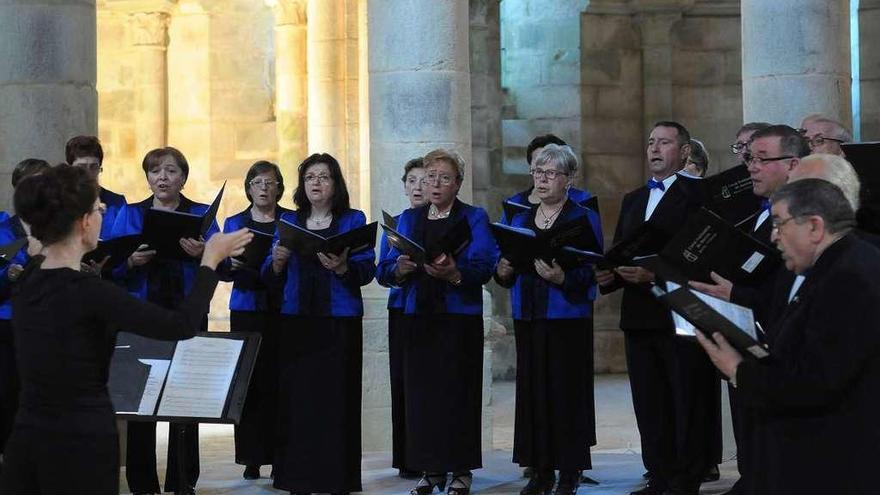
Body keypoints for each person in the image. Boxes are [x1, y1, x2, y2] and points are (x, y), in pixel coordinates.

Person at [0, 164, 252, 494]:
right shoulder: (90, 292)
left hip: (26, 439)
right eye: (97, 208)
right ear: (84, 223)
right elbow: (181, 325)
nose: (102, 213)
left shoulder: (28, 283)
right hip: (82, 443)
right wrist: (209, 261)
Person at [696, 178, 880, 494]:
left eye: (780, 224)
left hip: (833, 462)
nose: (773, 236)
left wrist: (738, 369)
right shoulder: (843, 263)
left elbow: (816, 383)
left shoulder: (847, 278)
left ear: (814, 227)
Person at [595, 121, 714, 495]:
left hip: (678, 311)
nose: (655, 149)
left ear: (684, 151)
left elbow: (703, 254)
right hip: (639, 315)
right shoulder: (633, 199)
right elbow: (622, 249)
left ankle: (686, 479)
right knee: (650, 403)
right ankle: (658, 475)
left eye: (664, 142)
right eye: (650, 142)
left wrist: (654, 276)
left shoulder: (700, 195)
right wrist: (609, 276)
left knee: (684, 399)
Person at [376, 149, 497, 495]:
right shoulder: (409, 220)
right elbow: (382, 271)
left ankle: (460, 469)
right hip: (418, 316)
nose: (436, 183)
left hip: (458, 318)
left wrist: (455, 273)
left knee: (458, 393)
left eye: (445, 177)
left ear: (458, 183)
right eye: (431, 176)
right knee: (422, 396)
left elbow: (485, 265)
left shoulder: (473, 217)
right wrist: (398, 269)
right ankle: (430, 469)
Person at [110, 147, 221, 495]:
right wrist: (130, 262)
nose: (162, 177)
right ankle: (143, 483)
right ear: (147, 177)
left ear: (183, 178)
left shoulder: (202, 215)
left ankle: (183, 479)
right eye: (155, 171)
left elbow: (226, 264)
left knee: (185, 398)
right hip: (142, 313)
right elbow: (108, 265)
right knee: (141, 399)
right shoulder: (130, 215)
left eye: (171, 171)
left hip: (186, 312)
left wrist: (205, 253)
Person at [494, 144, 603, 495]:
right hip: (529, 313)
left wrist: (562, 279)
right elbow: (504, 272)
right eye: (538, 172)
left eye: (551, 173)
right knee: (533, 392)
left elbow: (594, 270)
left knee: (566, 393)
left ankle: (569, 470)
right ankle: (539, 470)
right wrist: (504, 268)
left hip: (566, 316)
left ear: (568, 179)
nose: (542, 179)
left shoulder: (581, 217)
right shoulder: (520, 217)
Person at [265, 153, 375, 494]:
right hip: (297, 321)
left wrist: (343, 267)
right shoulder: (289, 220)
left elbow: (366, 269)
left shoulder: (353, 219)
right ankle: (297, 476)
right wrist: (278, 262)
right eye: (310, 177)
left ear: (335, 184)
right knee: (298, 400)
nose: (316, 182)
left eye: (324, 177)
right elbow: (270, 274)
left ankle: (336, 477)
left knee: (336, 399)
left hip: (338, 322)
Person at [220, 161, 291, 480]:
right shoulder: (235, 221)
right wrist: (231, 263)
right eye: (257, 182)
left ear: (280, 188)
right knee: (248, 381)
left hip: (284, 307)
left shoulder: (291, 220)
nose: (264, 187)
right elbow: (220, 269)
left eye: (270, 182)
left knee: (281, 380)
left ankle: (281, 454)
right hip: (247, 305)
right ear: (248, 188)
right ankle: (252, 456)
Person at [377, 157, 428, 479]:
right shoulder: (396, 224)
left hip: (433, 310)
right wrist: (397, 269)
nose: (418, 187)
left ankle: (434, 454)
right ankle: (409, 458)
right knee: (404, 385)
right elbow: (382, 272)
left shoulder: (441, 221)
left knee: (431, 386)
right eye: (412, 181)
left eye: (424, 180)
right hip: (401, 309)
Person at [0, 159, 51, 472]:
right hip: (7, 322)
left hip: (47, 322)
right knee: (8, 395)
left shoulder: (59, 226)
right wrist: (9, 274)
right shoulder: (4, 229)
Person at [500, 134, 594, 225]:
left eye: (551, 171)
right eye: (540, 162)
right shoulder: (515, 204)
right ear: (531, 167)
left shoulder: (581, 200)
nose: (543, 178)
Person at [65, 135, 127, 241]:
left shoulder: (117, 203)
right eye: (81, 167)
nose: (88, 174)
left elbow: (125, 243)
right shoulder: (56, 201)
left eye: (94, 167)